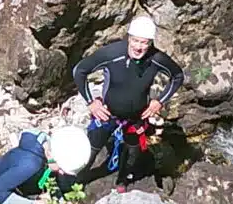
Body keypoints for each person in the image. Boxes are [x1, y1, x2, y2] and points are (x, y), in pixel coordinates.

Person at [72, 12, 184, 182]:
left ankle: (123, 181)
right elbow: (79, 71)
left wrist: (159, 101)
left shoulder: (156, 59)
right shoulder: (112, 53)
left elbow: (178, 76)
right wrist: (91, 102)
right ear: (129, 38)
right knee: (92, 149)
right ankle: (77, 182)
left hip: (137, 116)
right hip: (108, 112)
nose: (139, 47)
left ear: (150, 43)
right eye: (135, 41)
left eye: (144, 43)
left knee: (132, 152)